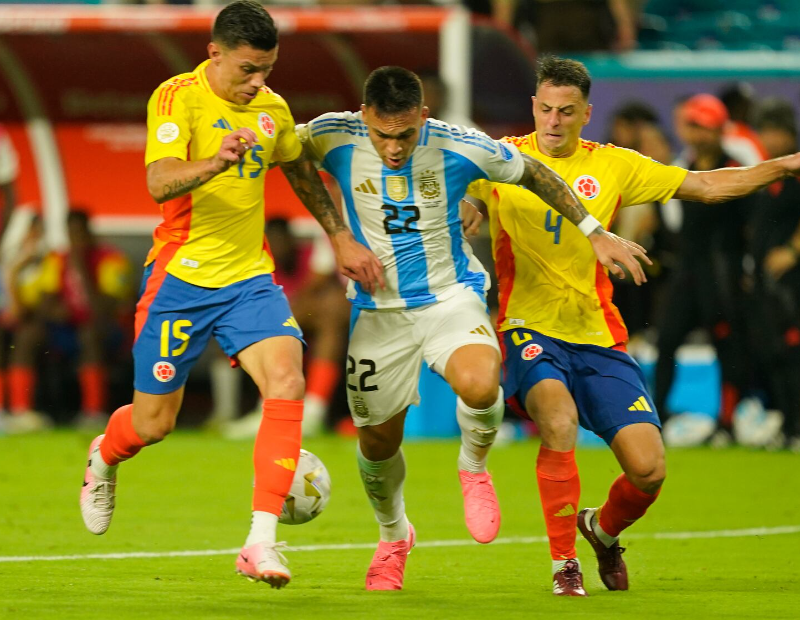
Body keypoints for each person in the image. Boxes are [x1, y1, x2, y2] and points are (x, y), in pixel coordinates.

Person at [297, 65, 649, 591]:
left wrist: (594, 231)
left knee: (482, 383)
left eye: (405, 134)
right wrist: (338, 235)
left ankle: (473, 466)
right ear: (364, 115)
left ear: (424, 116)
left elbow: (536, 173)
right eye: (382, 135)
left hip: (450, 296)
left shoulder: (460, 145)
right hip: (378, 311)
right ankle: (394, 537)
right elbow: (287, 155)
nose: (393, 149)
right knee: (376, 444)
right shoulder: (330, 133)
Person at [466, 56, 800, 596]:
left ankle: (600, 529)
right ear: (533, 106)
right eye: (545, 109)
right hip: (527, 327)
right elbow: (458, 185)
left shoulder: (615, 164)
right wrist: (466, 203)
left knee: (649, 471)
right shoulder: (502, 159)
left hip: (598, 334)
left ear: (586, 114)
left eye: (566, 112)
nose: (553, 121)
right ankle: (563, 564)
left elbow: (709, 186)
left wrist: (782, 167)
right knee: (557, 417)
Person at [78, 0, 381, 590]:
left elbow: (295, 169)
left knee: (286, 380)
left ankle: (261, 541)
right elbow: (158, 179)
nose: (258, 82)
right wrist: (214, 161)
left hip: (248, 280)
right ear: (214, 54)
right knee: (152, 423)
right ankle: (104, 456)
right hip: (180, 280)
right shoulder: (176, 97)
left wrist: (340, 236)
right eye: (247, 69)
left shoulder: (272, 109)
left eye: (266, 68)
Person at [656, 94, 760, 445]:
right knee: (667, 339)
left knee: (727, 346)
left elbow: (752, 224)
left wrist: (747, 268)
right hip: (689, 270)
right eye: (694, 127)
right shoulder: (681, 165)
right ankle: (657, 416)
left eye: (703, 128)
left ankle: (728, 421)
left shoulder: (736, 166)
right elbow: (671, 220)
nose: (697, 136)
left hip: (723, 272)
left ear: (717, 129)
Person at [5, 210, 134, 430]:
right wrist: (56, 310)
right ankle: (21, 411)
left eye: (80, 232)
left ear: (88, 231)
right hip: (66, 331)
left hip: (106, 333)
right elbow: (45, 302)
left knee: (90, 333)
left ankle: (93, 413)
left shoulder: (111, 259)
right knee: (27, 335)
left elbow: (104, 309)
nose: (76, 239)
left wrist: (81, 267)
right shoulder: (57, 259)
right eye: (71, 233)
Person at [748, 98, 800, 451]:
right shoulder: (770, 172)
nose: (767, 138)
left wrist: (793, 251)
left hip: (794, 277)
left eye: (772, 131)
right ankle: (788, 424)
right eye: (762, 131)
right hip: (769, 279)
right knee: (775, 353)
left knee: (794, 352)